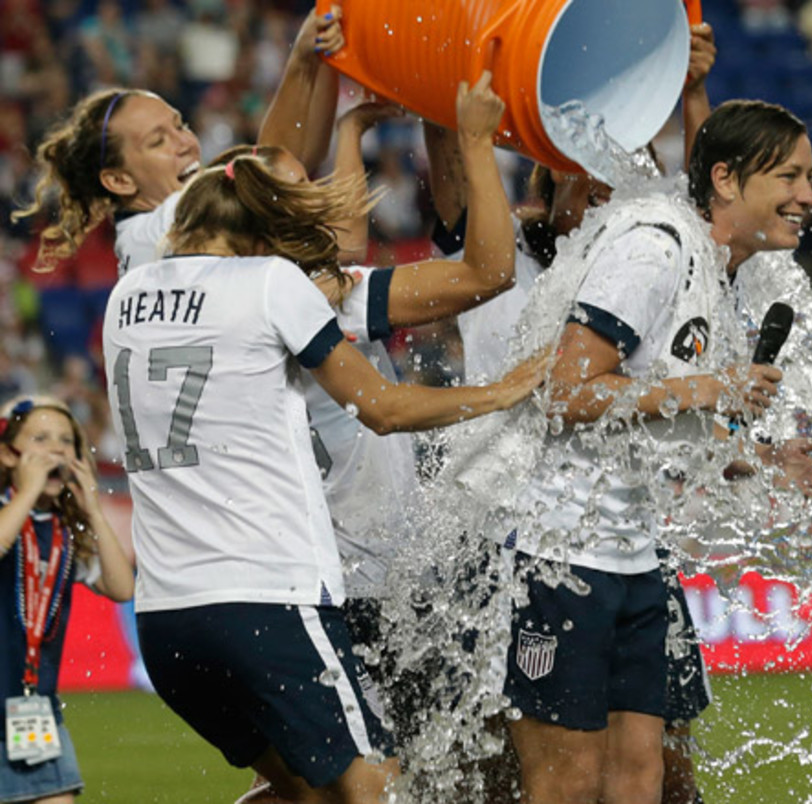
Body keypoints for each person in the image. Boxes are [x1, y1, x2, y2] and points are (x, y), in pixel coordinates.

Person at [101, 156, 545, 804]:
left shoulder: (126, 296)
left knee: (308, 797)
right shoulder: (271, 283)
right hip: (267, 598)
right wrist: (500, 392)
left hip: (166, 622)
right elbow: (383, 409)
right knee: (381, 793)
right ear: (260, 235)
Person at [489, 99, 812, 804]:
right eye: (790, 177)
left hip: (637, 558)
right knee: (566, 785)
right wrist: (715, 387)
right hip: (560, 552)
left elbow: (661, 422)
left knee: (641, 780)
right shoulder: (656, 248)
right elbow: (566, 391)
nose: (809, 195)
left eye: (810, 177)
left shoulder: (718, 271)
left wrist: (762, 461)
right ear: (726, 180)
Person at [426, 25, 722, 804]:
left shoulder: (649, 267)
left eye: (617, 190)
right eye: (585, 188)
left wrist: (692, 94)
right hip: (513, 536)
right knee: (515, 770)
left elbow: (710, 217)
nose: (604, 203)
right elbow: (455, 182)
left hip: (627, 536)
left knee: (666, 768)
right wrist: (442, 80)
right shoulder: (502, 264)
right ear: (550, 191)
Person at [12, 5, 345, 274]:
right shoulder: (161, 229)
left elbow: (295, 162)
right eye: (158, 142)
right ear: (119, 180)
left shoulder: (157, 224)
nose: (186, 143)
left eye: (180, 125)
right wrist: (302, 60)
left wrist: (324, 59)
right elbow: (275, 171)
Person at [0, 396, 135, 804]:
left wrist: (94, 511)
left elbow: (122, 588)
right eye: (40, 439)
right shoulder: (8, 515)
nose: (56, 450)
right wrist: (27, 491)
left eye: (66, 441)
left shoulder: (63, 533)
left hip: (33, 714)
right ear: (8, 454)